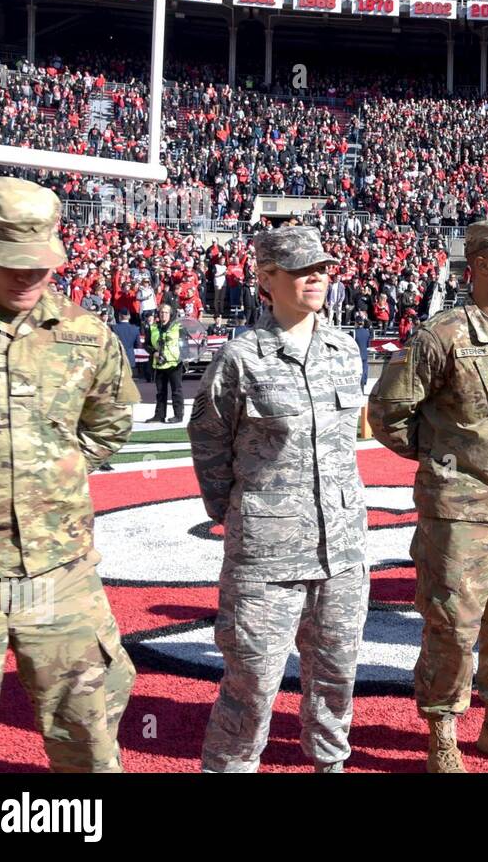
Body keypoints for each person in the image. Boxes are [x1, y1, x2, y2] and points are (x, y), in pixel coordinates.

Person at [0, 177, 139, 773]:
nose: (29, 277)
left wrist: (49, 475)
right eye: (12, 262)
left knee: (90, 739)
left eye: (42, 263)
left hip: (61, 574)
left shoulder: (85, 336)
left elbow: (109, 420)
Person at [368, 220, 488, 773]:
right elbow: (387, 414)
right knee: (452, 623)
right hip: (458, 513)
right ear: (479, 265)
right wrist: (445, 463)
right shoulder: (440, 335)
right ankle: (442, 732)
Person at [187, 226, 369, 773]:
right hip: (265, 554)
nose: (315, 277)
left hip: (341, 548)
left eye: (321, 268)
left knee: (337, 674)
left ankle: (330, 763)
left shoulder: (343, 350)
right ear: (266, 279)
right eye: (299, 270)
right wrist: (241, 512)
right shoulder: (241, 359)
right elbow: (209, 441)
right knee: (252, 680)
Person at [147, 302, 184, 423]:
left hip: (174, 363)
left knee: (176, 391)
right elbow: (146, 344)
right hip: (159, 363)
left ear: (170, 314)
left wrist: (184, 358)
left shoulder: (177, 327)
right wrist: (154, 352)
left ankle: (178, 415)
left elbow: (185, 343)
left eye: (166, 312)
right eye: (162, 312)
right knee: (160, 391)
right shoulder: (153, 327)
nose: (164, 315)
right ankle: (159, 415)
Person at [352, 309, 372, 391]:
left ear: (356, 323)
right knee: (364, 370)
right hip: (364, 354)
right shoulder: (367, 332)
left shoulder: (353, 332)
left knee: (357, 371)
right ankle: (363, 384)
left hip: (356, 355)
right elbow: (368, 345)